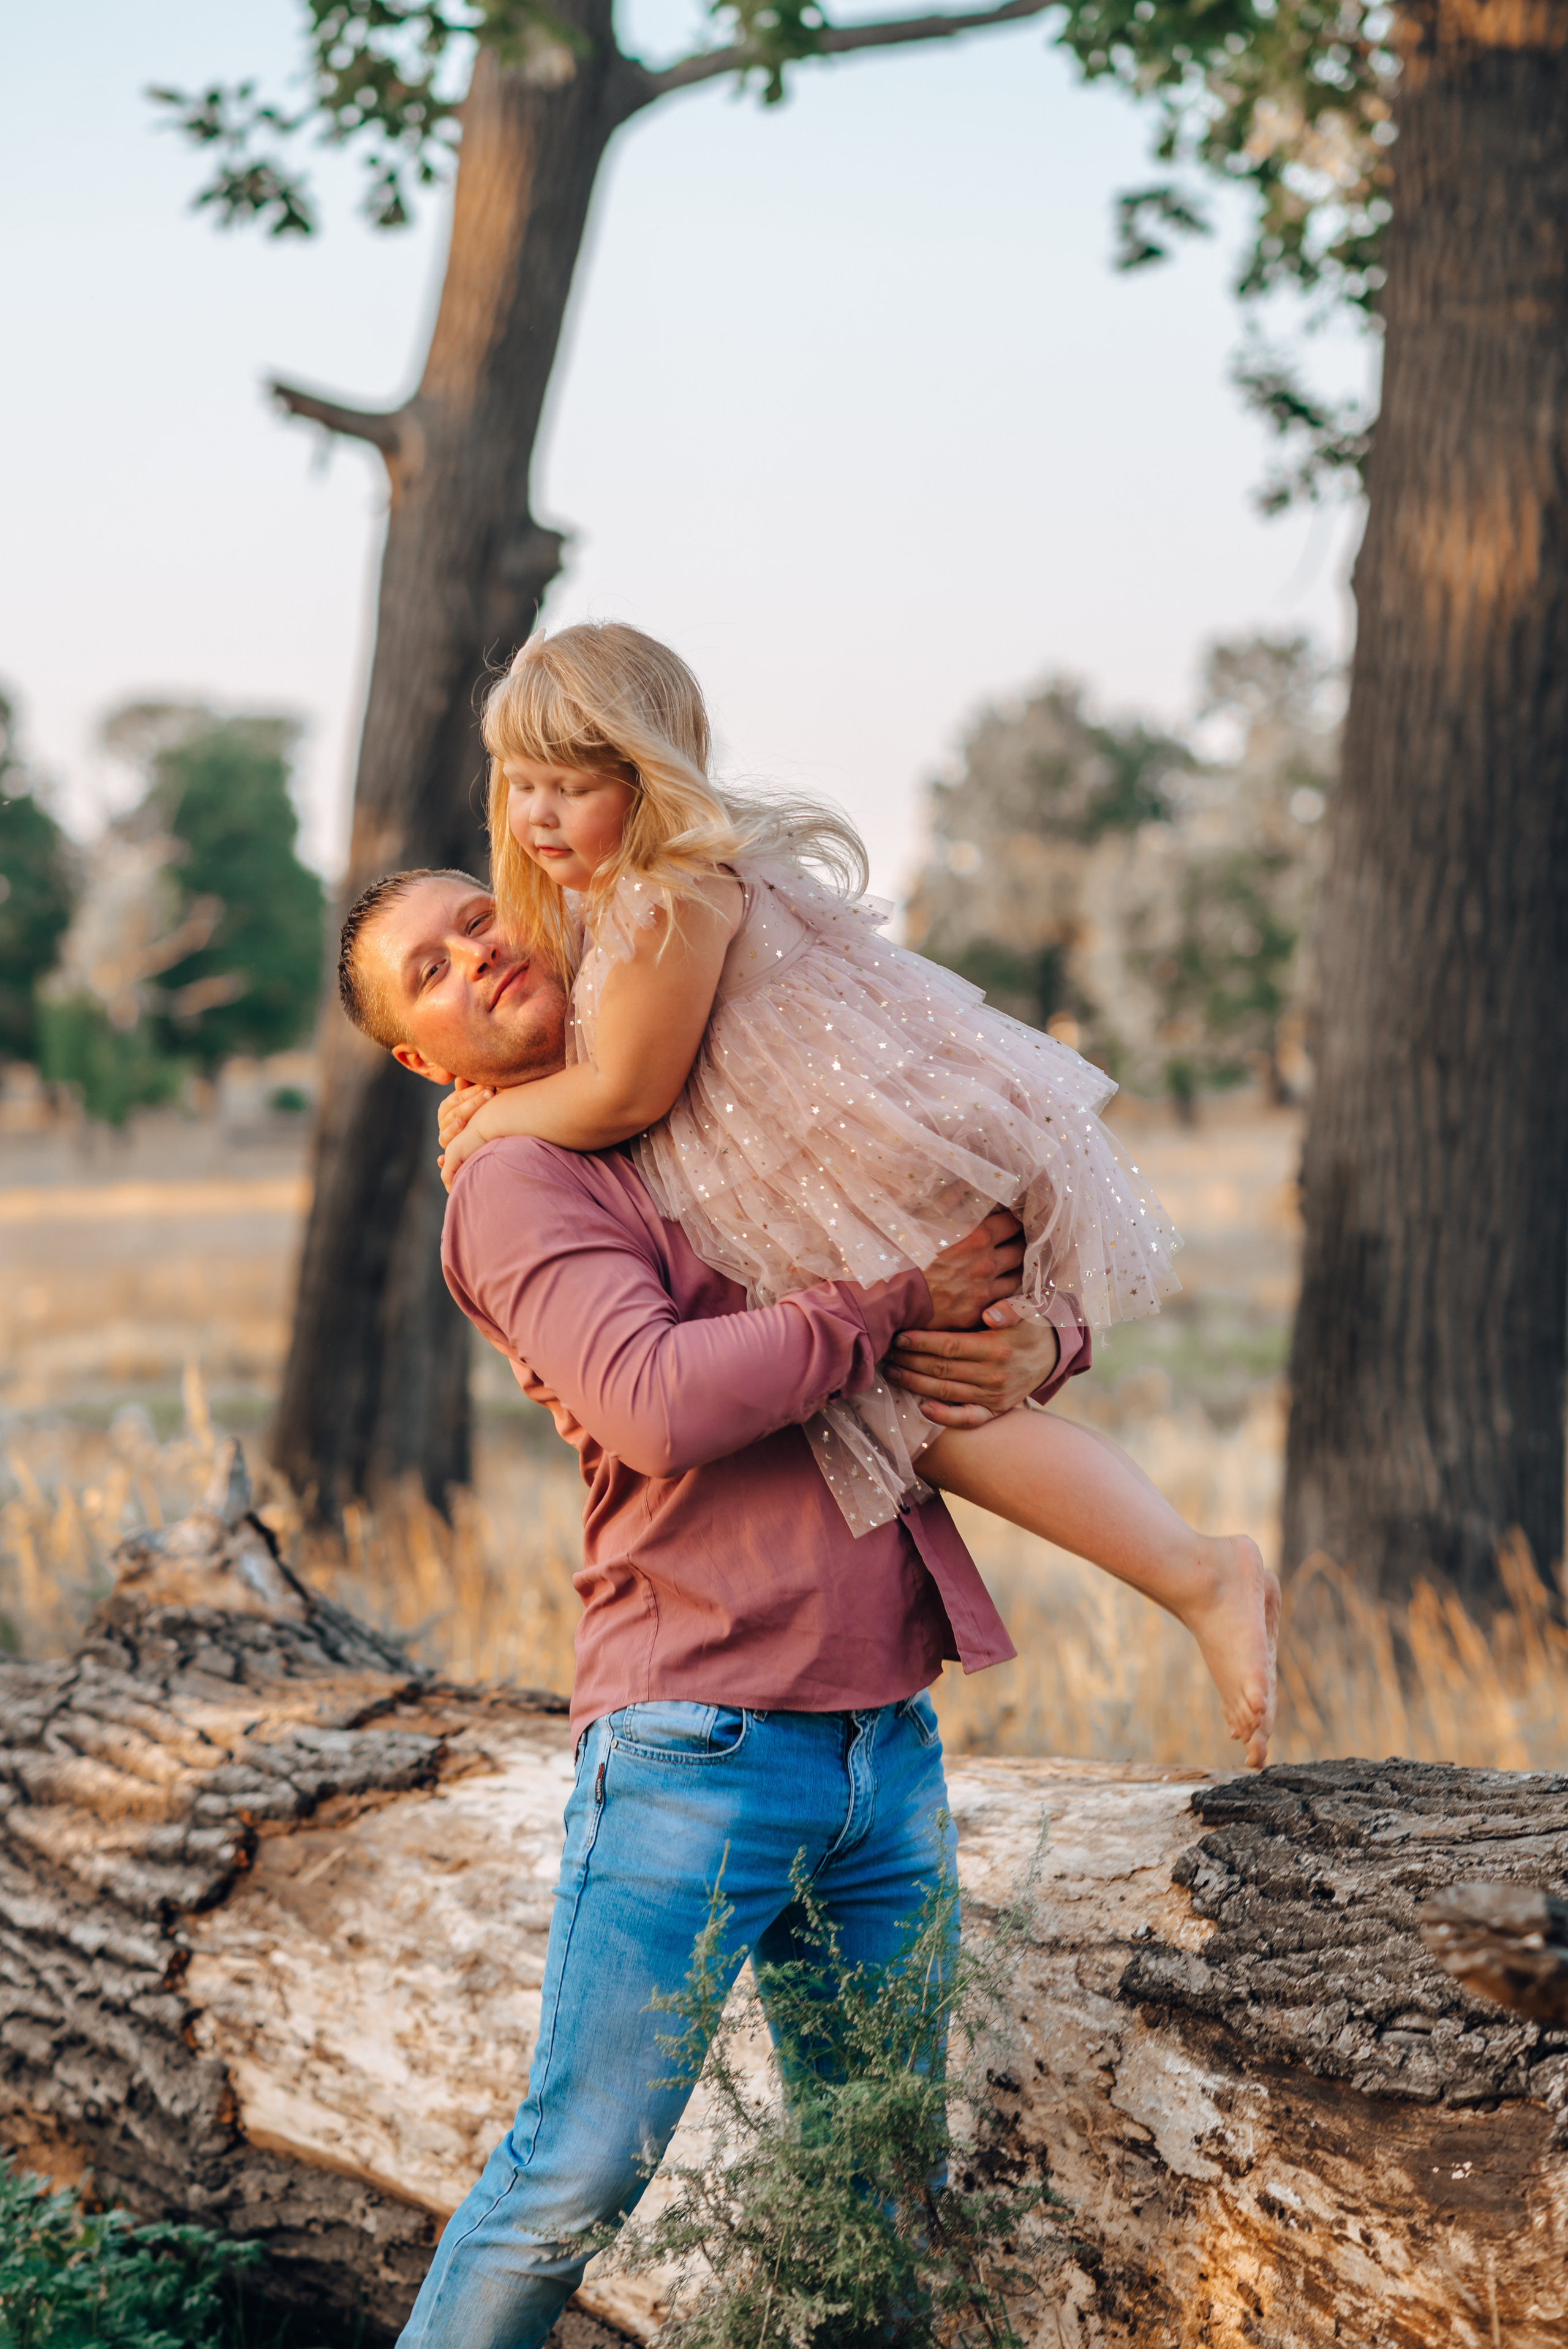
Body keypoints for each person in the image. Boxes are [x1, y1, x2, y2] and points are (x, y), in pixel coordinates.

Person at [337, 865, 1083, 2349]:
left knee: (875, 2182)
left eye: (477, 918)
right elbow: (656, 1402)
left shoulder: (717, 1087)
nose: (477, 957)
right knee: (575, 2176)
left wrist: (1031, 1349)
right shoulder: (516, 1183)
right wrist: (885, 1304)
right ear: (424, 1060)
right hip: (700, 1743)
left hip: (886, 1741)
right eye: (430, 971)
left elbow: (976, 1278)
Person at [437, 622, 1280, 1766]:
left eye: (571, 787)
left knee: (937, 1416)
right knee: (942, 1415)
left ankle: (1196, 1571)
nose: (538, 817)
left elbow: (627, 1090)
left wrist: (489, 1116)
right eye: (520, 785)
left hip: (852, 1160)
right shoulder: (623, 907)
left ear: (649, 779)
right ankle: (1194, 1568)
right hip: (833, 1169)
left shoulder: (664, 895)